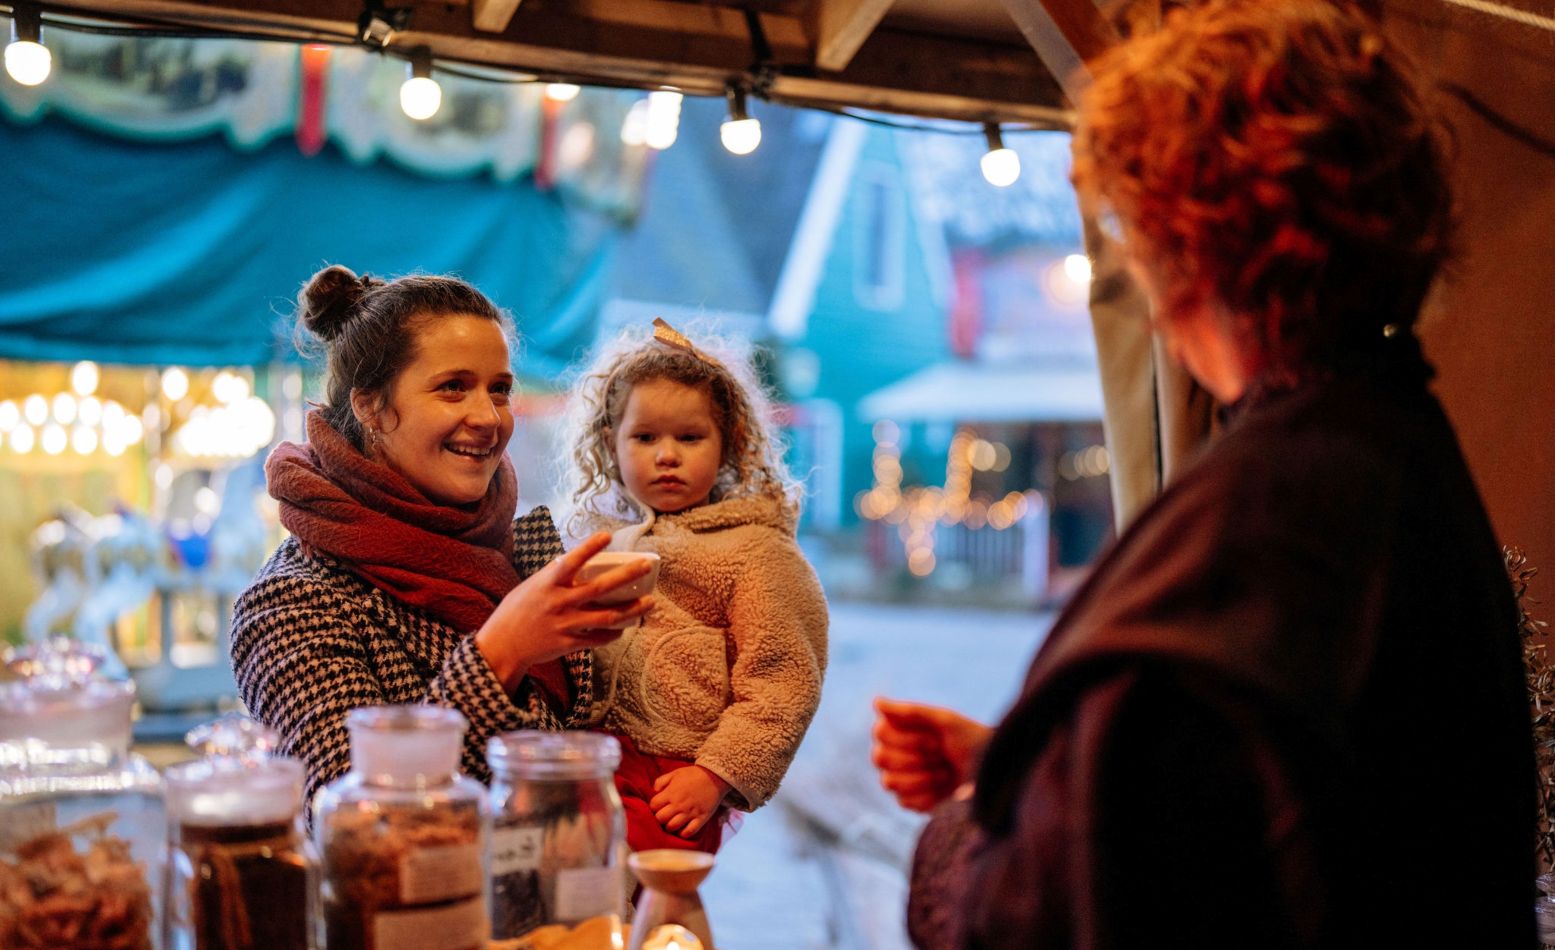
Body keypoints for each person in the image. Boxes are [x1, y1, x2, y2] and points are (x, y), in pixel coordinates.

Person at [872, 2, 1536, 946]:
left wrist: (974, 817)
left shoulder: (1269, 519)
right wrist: (1044, 762)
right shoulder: (1396, 450)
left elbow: (1036, 914)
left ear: (1177, 236)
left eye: (1124, 214)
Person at [231, 265, 653, 804]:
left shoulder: (525, 552)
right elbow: (354, 819)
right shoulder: (292, 602)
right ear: (372, 406)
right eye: (453, 388)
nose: (488, 417)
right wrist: (502, 651)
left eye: (499, 390)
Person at [565, 319, 828, 854]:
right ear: (610, 444)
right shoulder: (597, 539)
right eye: (644, 437)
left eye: (690, 437)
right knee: (579, 892)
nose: (667, 455)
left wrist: (716, 774)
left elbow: (783, 680)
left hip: (678, 770)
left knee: (653, 893)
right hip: (591, 754)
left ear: (727, 445)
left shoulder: (755, 549)